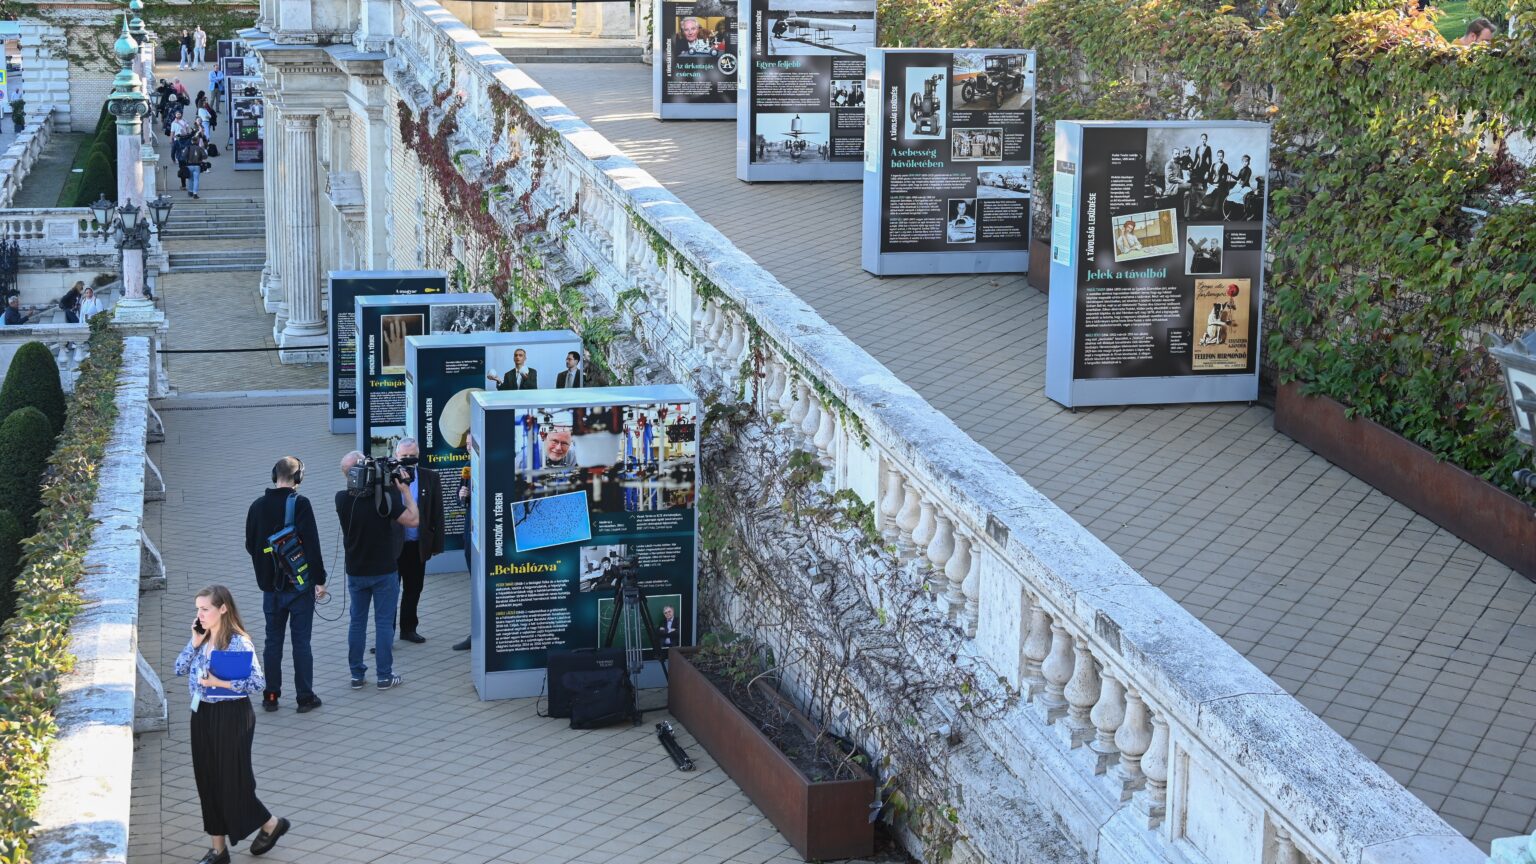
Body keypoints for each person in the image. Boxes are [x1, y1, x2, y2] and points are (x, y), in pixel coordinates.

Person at [173, 585, 291, 863]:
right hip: (201, 715)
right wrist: (194, 641)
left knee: (232, 783)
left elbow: (258, 683)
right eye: (197, 609)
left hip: (232, 717)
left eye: (205, 609)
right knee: (208, 781)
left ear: (222, 608)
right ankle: (219, 850)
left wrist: (219, 683)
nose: (199, 615)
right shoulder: (201, 637)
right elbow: (178, 668)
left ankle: (272, 824)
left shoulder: (238, 642)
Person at [245, 456, 328, 714]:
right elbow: (312, 544)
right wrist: (320, 580)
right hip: (299, 587)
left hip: (270, 588)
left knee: (272, 642)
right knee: (301, 642)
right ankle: (304, 697)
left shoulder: (257, 506)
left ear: (274, 475)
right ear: (298, 478)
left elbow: (250, 545)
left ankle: (271, 696)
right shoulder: (301, 504)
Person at [335, 451, 419, 690]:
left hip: (356, 571)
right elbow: (413, 520)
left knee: (357, 623)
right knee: (383, 624)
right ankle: (384, 676)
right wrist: (403, 491)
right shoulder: (385, 499)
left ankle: (357, 676)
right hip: (384, 571)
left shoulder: (341, 499)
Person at [393, 438, 445, 645]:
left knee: (414, 589)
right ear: (397, 456)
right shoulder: (387, 477)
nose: (407, 459)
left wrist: (436, 545)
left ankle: (408, 629)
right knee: (389, 593)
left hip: (416, 546)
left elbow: (437, 512)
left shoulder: (430, 477)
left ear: (419, 454)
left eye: (411, 455)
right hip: (392, 548)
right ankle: (386, 633)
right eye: (404, 456)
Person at [182, 134, 206, 199]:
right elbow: (205, 156)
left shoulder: (188, 148)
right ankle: (195, 193)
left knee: (190, 179)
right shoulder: (199, 148)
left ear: (192, 141)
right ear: (197, 141)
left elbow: (183, 156)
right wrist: (200, 158)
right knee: (196, 180)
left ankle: (190, 191)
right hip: (197, 166)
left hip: (189, 165)